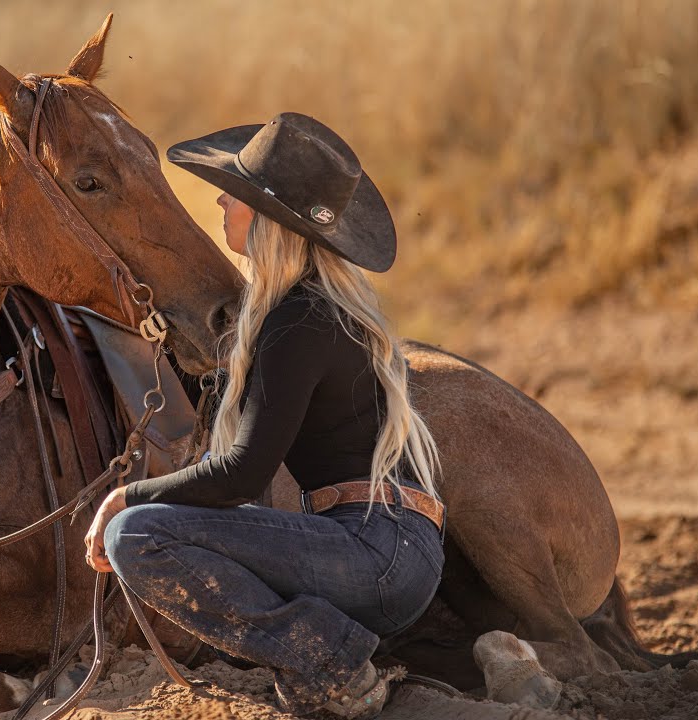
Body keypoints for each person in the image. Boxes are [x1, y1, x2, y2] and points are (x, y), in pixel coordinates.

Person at [84, 112, 446, 719]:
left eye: (240, 194)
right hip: (397, 548)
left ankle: (329, 659)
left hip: (373, 551)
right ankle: (329, 656)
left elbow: (244, 473)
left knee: (136, 535)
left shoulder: (296, 322)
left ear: (268, 219)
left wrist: (127, 497)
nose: (223, 199)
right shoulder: (318, 311)